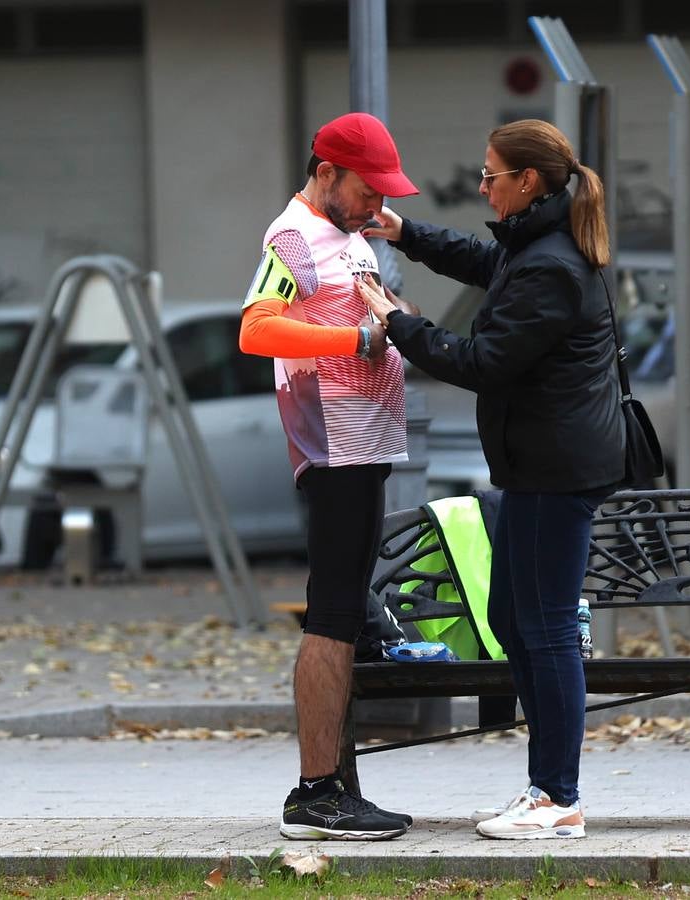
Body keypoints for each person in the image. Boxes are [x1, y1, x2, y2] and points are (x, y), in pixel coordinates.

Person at [357, 119, 625, 840]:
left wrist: (397, 322)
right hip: (538, 465)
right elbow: (484, 261)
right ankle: (545, 788)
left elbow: (482, 362)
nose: (481, 187)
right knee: (512, 620)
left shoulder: (549, 264)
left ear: (526, 182)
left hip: (555, 469)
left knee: (544, 630)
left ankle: (556, 797)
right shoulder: (536, 245)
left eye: (490, 176)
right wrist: (402, 231)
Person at [238, 112, 419, 841]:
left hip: (363, 449)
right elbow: (256, 327)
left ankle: (334, 788)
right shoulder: (292, 236)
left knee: (344, 619)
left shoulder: (347, 235)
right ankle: (314, 795)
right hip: (334, 454)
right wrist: (357, 336)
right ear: (326, 174)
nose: (379, 206)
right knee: (332, 618)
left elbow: (373, 316)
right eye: (369, 191)